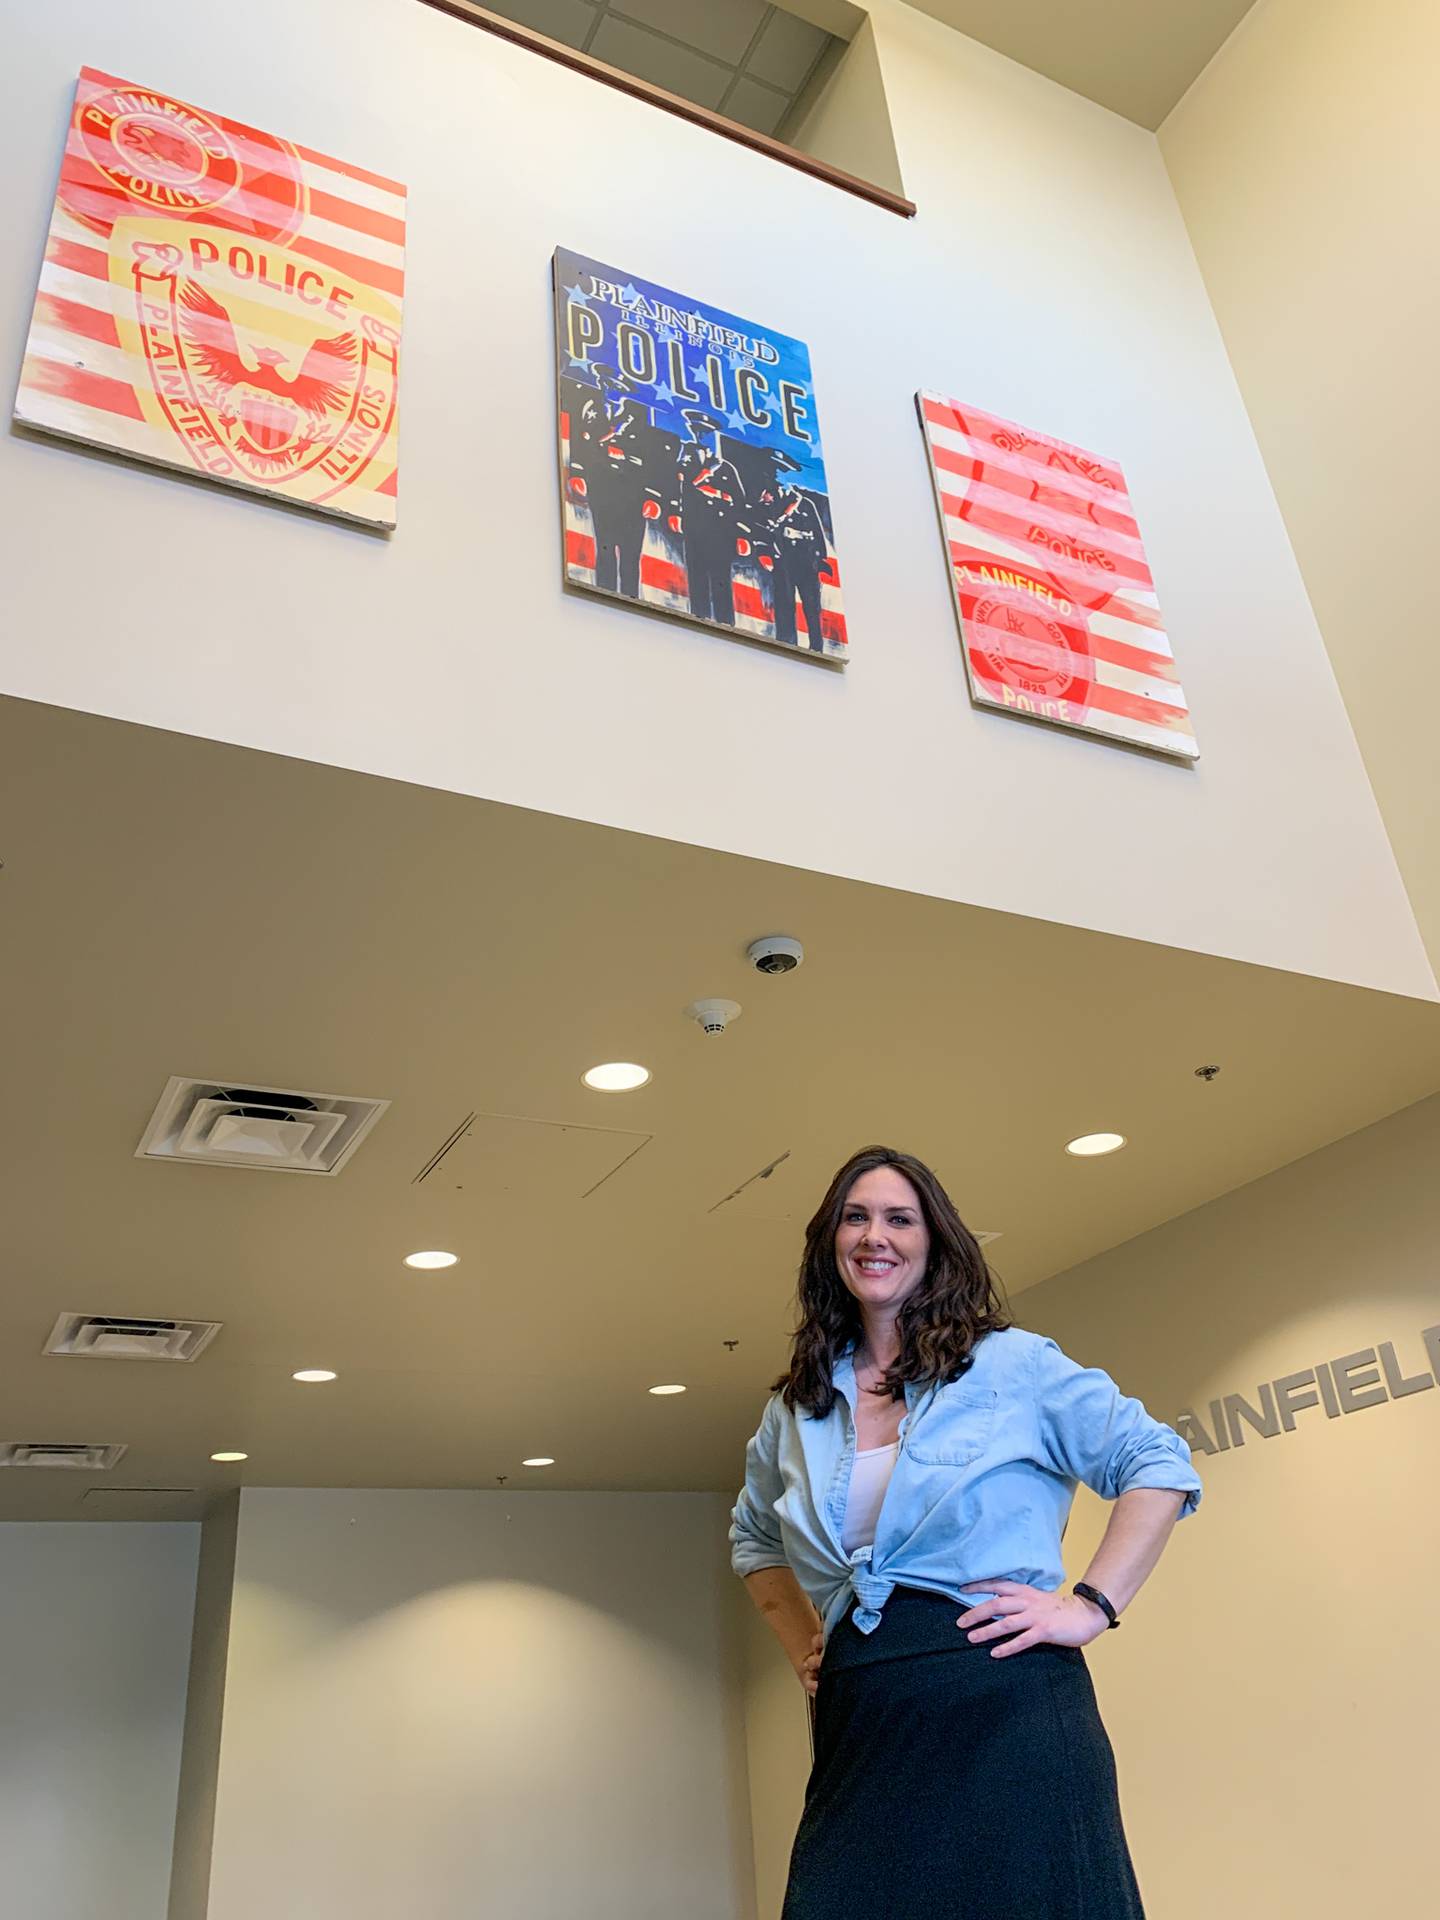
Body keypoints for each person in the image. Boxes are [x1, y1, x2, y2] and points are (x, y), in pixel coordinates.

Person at [730, 1145, 1201, 1919]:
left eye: (898, 1219)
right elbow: (752, 1537)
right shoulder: (796, 1408)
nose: (874, 1235)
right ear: (829, 1244)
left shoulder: (1009, 1365)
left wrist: (1088, 1604)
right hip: (864, 1720)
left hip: (1005, 1706)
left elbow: (1157, 1462)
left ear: (934, 1241)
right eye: (855, 1218)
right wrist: (806, 1648)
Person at [757, 451, 831, 653]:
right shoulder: (768, 501)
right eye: (775, 471)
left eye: (782, 471)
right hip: (784, 561)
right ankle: (787, 646)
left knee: (812, 608)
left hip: (807, 563)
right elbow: (762, 527)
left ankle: (817, 648)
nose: (778, 476)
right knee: (785, 606)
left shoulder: (805, 503)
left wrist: (820, 561)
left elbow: (817, 534)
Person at [677, 409, 746, 626]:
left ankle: (726, 625)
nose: (701, 436)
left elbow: (739, 502)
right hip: (694, 527)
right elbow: (676, 486)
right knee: (697, 579)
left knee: (721, 581)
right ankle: (699, 621)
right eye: (698, 431)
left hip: (719, 532)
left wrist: (719, 495)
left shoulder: (724, 467)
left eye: (706, 433)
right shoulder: (684, 456)